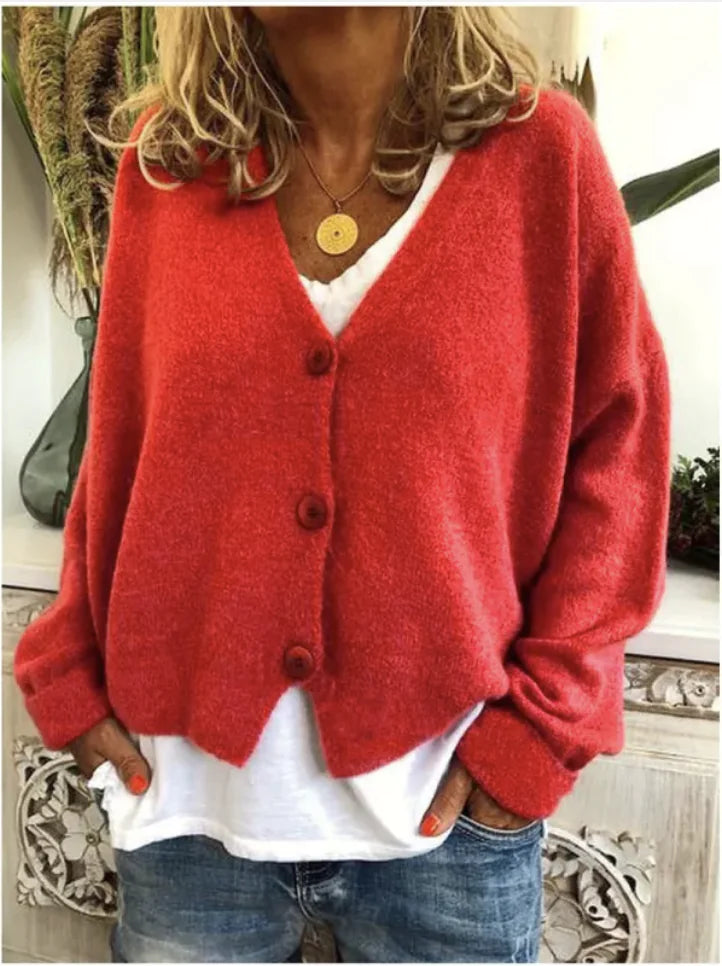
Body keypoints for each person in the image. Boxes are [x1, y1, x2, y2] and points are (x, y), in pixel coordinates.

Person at [13, 6, 672, 963]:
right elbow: (119, 448)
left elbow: (621, 452)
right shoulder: (169, 167)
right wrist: (69, 671)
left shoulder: (540, 160)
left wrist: (537, 736)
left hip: (447, 831)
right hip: (190, 820)